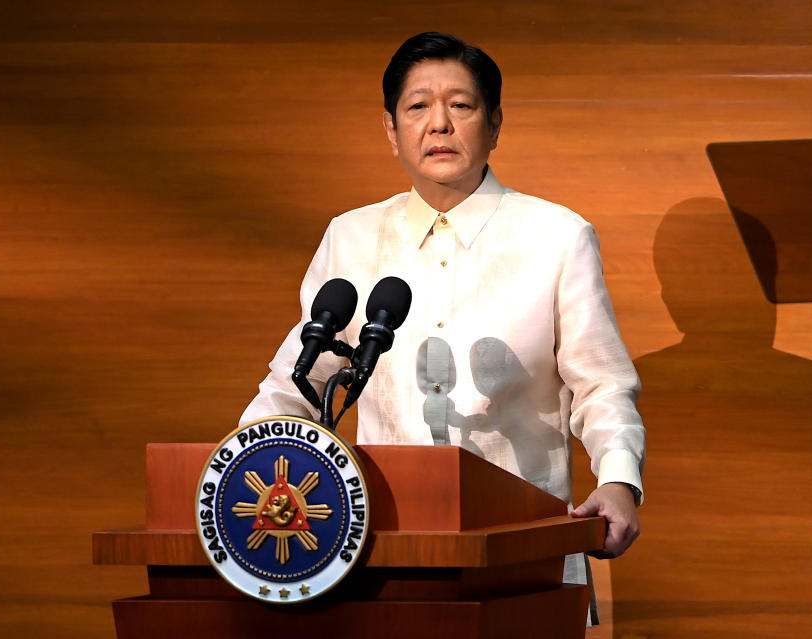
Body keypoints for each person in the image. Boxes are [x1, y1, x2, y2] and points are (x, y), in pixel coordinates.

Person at [240, 32, 645, 577]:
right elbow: (301, 383)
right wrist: (236, 473)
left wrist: (619, 482)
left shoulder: (557, 237)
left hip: (520, 555)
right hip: (374, 556)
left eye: (460, 105)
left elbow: (603, 385)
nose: (439, 124)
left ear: (495, 123)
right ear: (391, 129)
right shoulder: (351, 237)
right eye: (417, 107)